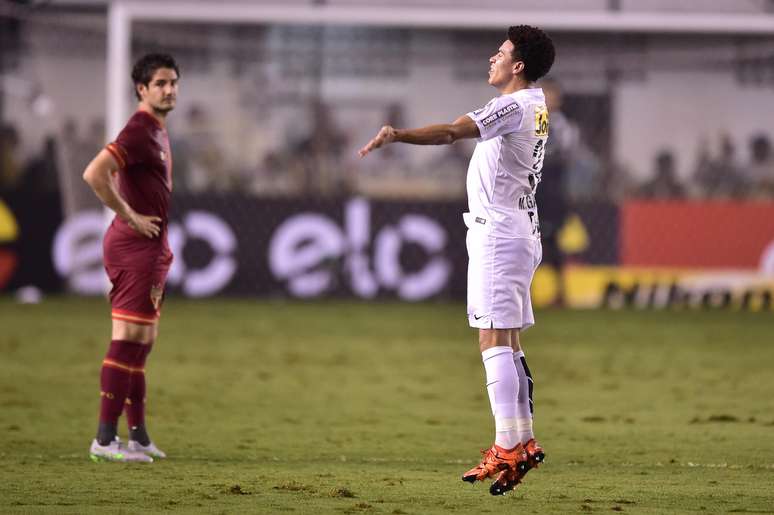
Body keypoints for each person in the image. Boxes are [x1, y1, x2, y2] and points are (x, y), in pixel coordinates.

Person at [359, 25, 554, 495]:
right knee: (507, 341)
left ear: (518, 66)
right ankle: (522, 439)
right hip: (520, 230)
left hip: (500, 235)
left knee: (491, 340)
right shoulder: (538, 105)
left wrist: (398, 135)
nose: (493, 58)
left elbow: (451, 132)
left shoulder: (513, 105)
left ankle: (506, 443)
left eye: (501, 53)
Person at [82, 53, 180, 463]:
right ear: (141, 89)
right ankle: (105, 440)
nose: (169, 89)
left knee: (142, 342)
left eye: (173, 82)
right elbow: (94, 173)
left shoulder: (156, 129)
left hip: (152, 246)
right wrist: (129, 216)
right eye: (160, 83)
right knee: (126, 340)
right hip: (133, 245)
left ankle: (137, 436)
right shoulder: (139, 128)